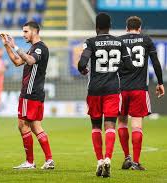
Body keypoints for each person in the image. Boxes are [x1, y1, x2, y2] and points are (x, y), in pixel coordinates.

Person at [77, 13, 135, 177]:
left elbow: (82, 63)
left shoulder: (90, 42)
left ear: (96, 27)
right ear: (109, 26)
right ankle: (108, 158)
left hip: (94, 90)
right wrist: (116, 69)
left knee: (96, 126)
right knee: (110, 126)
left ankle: (99, 161)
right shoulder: (119, 42)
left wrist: (84, 70)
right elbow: (130, 66)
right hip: (112, 89)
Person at [0, 21, 54, 169]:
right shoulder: (33, 48)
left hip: (30, 93)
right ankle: (49, 160)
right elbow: (17, 62)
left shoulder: (40, 49)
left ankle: (30, 162)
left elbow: (30, 61)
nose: (23, 34)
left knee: (23, 125)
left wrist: (15, 46)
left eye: (26, 32)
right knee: (36, 126)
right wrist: (7, 45)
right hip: (34, 93)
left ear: (35, 31)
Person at [118, 16, 165, 170]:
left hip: (121, 89)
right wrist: (159, 82)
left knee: (122, 122)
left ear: (126, 28)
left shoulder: (119, 41)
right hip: (139, 89)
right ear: (139, 28)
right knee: (137, 124)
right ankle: (136, 163)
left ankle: (127, 158)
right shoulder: (146, 40)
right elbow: (156, 62)